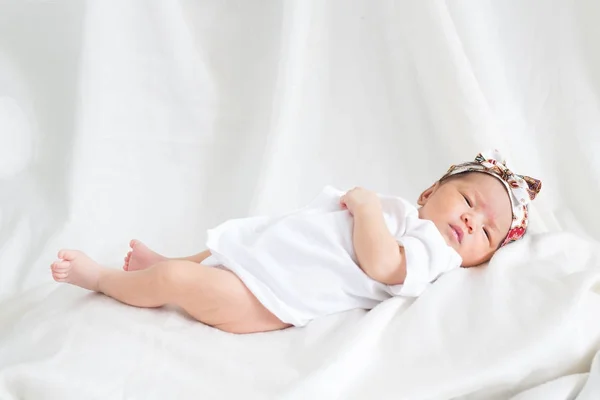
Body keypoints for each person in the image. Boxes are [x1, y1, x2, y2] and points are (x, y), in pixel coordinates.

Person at [50, 150, 541, 334]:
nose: (471, 223)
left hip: (265, 301)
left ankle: (103, 279)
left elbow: (383, 265)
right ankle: (170, 263)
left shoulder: (434, 251)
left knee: (180, 281)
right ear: (430, 192)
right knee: (230, 243)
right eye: (468, 201)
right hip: (265, 259)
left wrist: (366, 209)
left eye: (487, 232)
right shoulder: (406, 216)